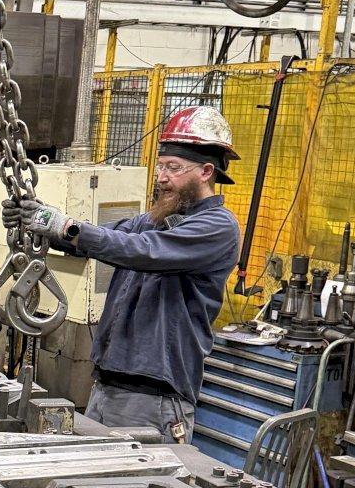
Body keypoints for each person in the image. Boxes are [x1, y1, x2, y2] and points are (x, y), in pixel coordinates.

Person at [19, 106, 241, 441]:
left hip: (153, 399)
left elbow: (140, 251)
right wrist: (38, 224)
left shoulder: (218, 227)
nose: (162, 177)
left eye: (174, 168)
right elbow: (100, 240)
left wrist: (63, 225)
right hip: (106, 386)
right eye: (160, 166)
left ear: (206, 171)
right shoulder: (154, 219)